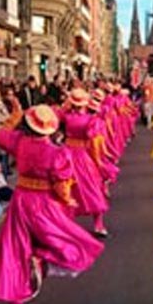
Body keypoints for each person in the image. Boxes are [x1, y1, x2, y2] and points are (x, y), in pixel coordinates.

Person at [0, 104, 104, 304]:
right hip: (45, 204)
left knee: (14, 251)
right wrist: (67, 200)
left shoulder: (18, 142)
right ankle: (41, 263)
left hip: (21, 201)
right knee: (62, 240)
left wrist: (15, 114)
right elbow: (61, 186)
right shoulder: (57, 152)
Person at [60, 89, 110, 237]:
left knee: (65, 188)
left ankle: (65, 223)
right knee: (93, 187)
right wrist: (98, 161)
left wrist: (66, 105)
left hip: (66, 154)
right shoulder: (90, 120)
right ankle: (98, 224)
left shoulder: (66, 117)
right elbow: (93, 143)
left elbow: (55, 115)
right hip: (82, 155)